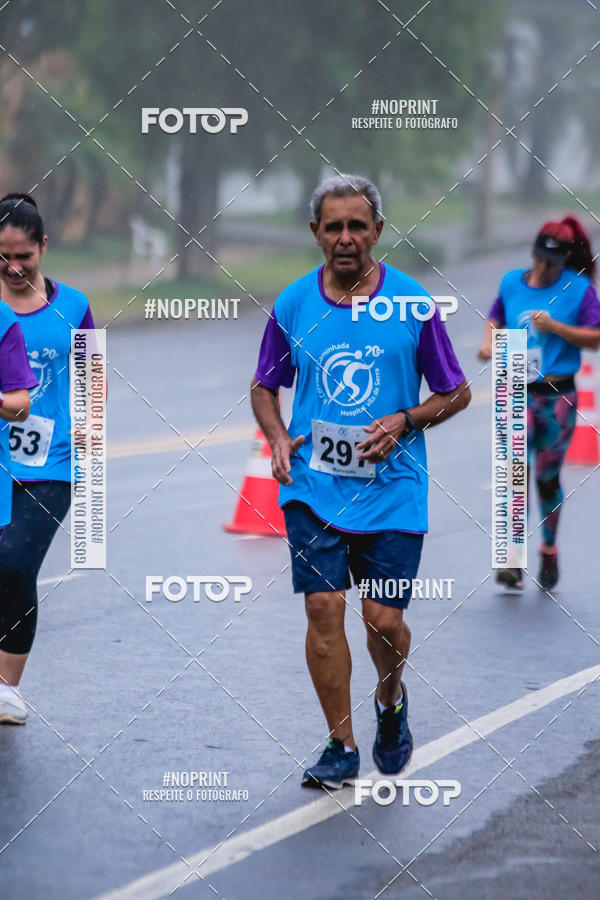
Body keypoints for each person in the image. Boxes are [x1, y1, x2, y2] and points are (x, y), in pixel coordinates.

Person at [250, 174, 471, 788]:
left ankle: (390, 700)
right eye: (333, 226)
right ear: (315, 233)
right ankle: (341, 745)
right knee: (323, 607)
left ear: (377, 229)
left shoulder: (412, 303)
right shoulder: (294, 304)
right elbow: (264, 386)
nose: (345, 238)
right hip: (313, 485)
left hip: (394, 489)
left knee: (382, 621)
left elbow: (457, 392)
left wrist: (406, 418)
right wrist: (274, 437)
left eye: (357, 225)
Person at [0, 193, 97, 725]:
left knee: (15, 564)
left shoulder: (74, 305)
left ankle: (7, 687)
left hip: (51, 463)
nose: (14, 268)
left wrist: (90, 448)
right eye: (2, 257)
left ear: (43, 247)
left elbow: (92, 379)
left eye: (25, 256)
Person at [478, 216, 600, 591]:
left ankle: (548, 547)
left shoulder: (579, 290)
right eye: (540, 260)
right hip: (514, 391)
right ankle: (511, 561)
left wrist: (556, 328)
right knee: (512, 475)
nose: (544, 268)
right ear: (533, 252)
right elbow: (496, 316)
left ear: (564, 259)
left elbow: (594, 339)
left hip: (557, 397)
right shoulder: (512, 282)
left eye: (552, 262)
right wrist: (488, 343)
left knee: (546, 478)